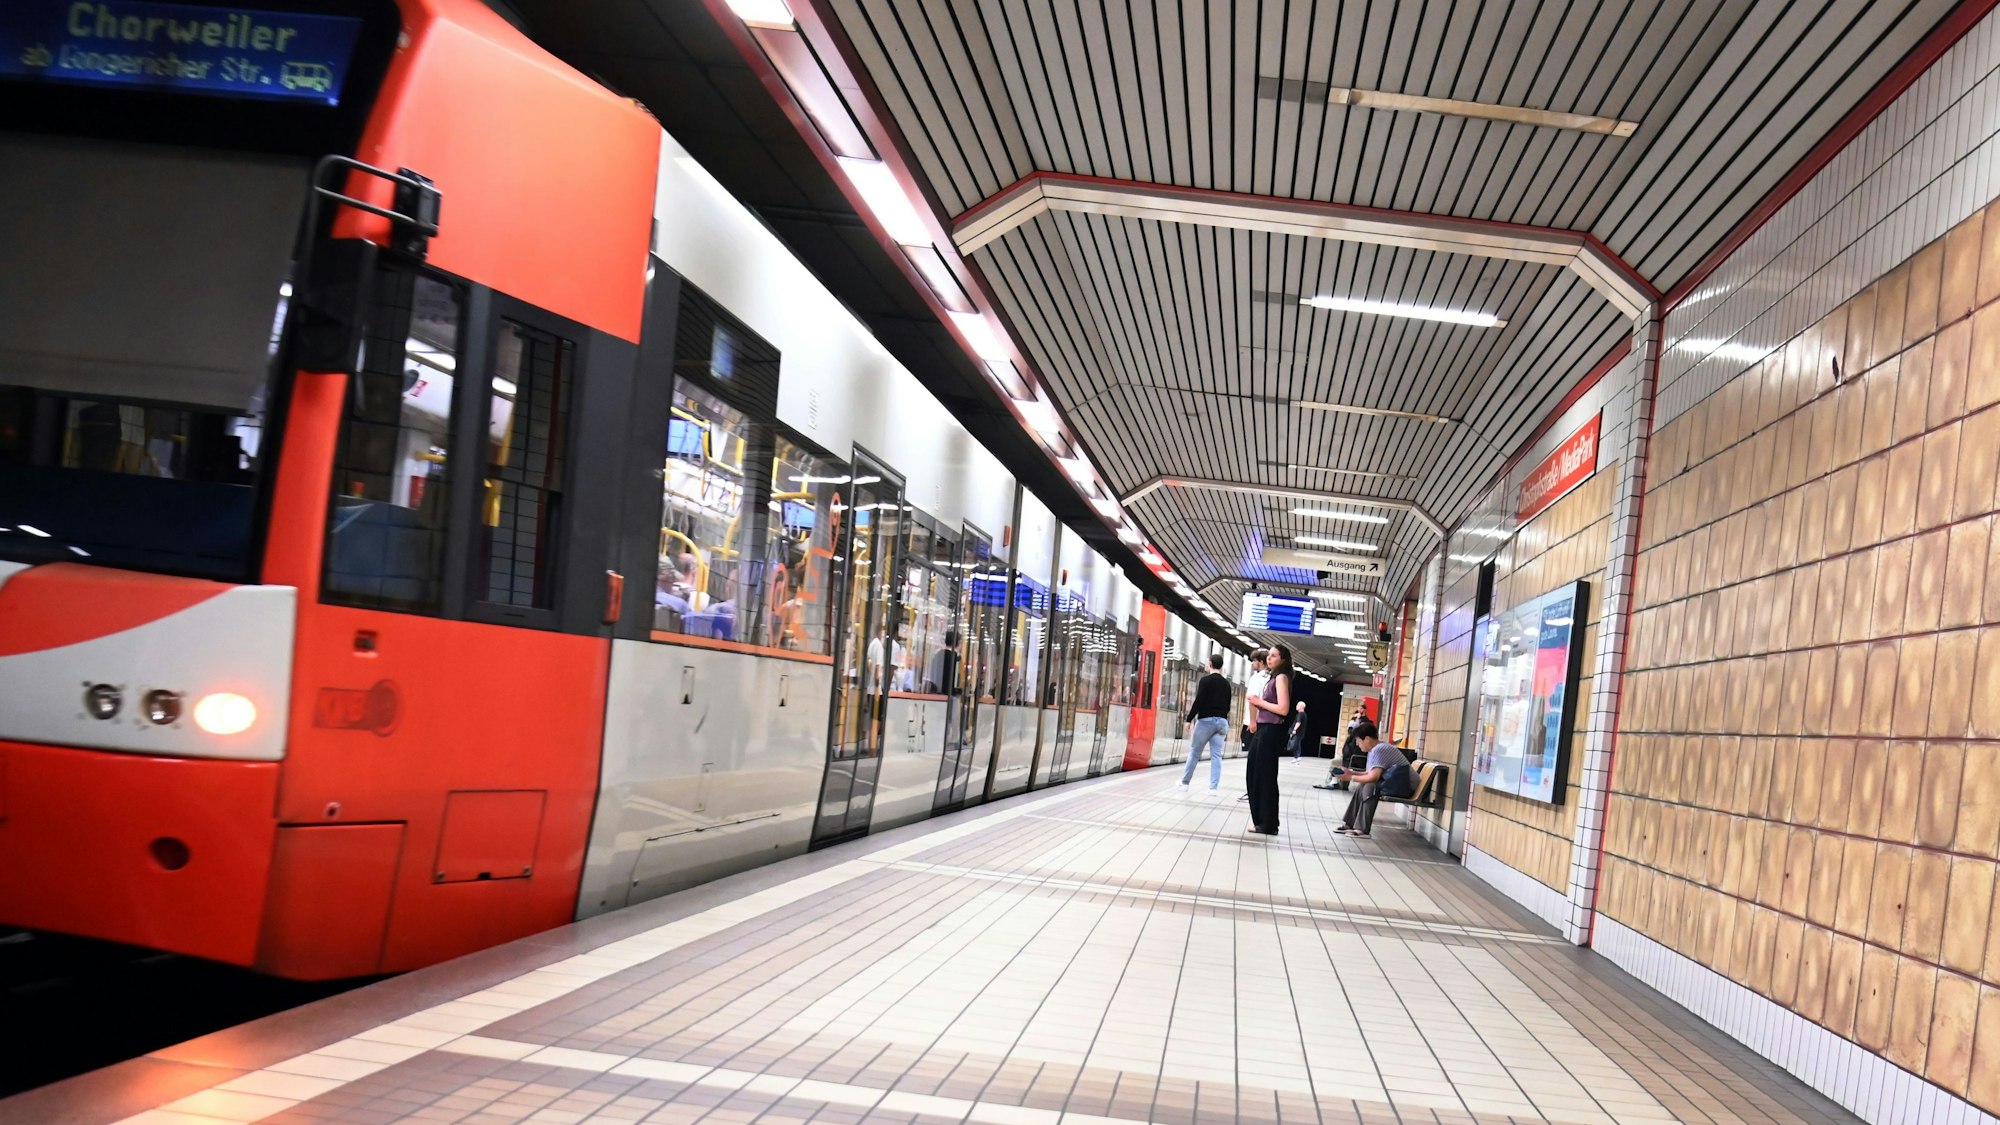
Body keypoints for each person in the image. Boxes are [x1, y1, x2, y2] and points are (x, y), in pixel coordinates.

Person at [1243, 645, 1292, 835]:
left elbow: (1283, 709)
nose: (1269, 658)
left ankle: (1268, 823)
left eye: (1273, 656)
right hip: (1264, 729)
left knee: (1264, 776)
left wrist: (1259, 702)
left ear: (1283, 659)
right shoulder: (1273, 677)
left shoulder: (1281, 678)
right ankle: (1262, 820)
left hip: (1271, 730)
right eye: (1269, 656)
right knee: (1256, 774)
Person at [1335, 720, 1412, 838]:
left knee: (1370, 786)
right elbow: (1370, 772)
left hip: (1405, 786)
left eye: (1358, 741)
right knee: (1364, 785)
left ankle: (1362, 830)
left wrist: (1350, 777)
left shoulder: (1379, 750)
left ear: (1367, 739)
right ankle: (1350, 824)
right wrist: (1351, 772)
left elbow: (1373, 777)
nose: (1357, 744)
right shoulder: (1374, 749)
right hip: (1397, 783)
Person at [1179, 653, 1231, 791]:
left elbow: (1199, 701)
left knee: (1195, 753)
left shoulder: (1205, 681)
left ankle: (1185, 783)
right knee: (1216, 756)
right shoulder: (1226, 684)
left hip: (1206, 722)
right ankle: (1213, 788)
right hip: (1222, 722)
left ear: (1209, 664)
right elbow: (1227, 705)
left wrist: (1189, 719)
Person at [1239, 649, 1269, 802]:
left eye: (1254, 660)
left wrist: (1252, 722)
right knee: (1261, 759)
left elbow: (1252, 699)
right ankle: (1256, 792)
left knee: (1253, 760)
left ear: (1261, 662)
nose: (1252, 663)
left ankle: (1252, 792)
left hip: (1255, 723)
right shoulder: (1272, 678)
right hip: (1266, 722)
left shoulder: (1256, 678)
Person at [924, 628, 961, 694]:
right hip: (946, 693)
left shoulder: (937, 654)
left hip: (935, 691)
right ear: (957, 642)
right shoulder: (953, 657)